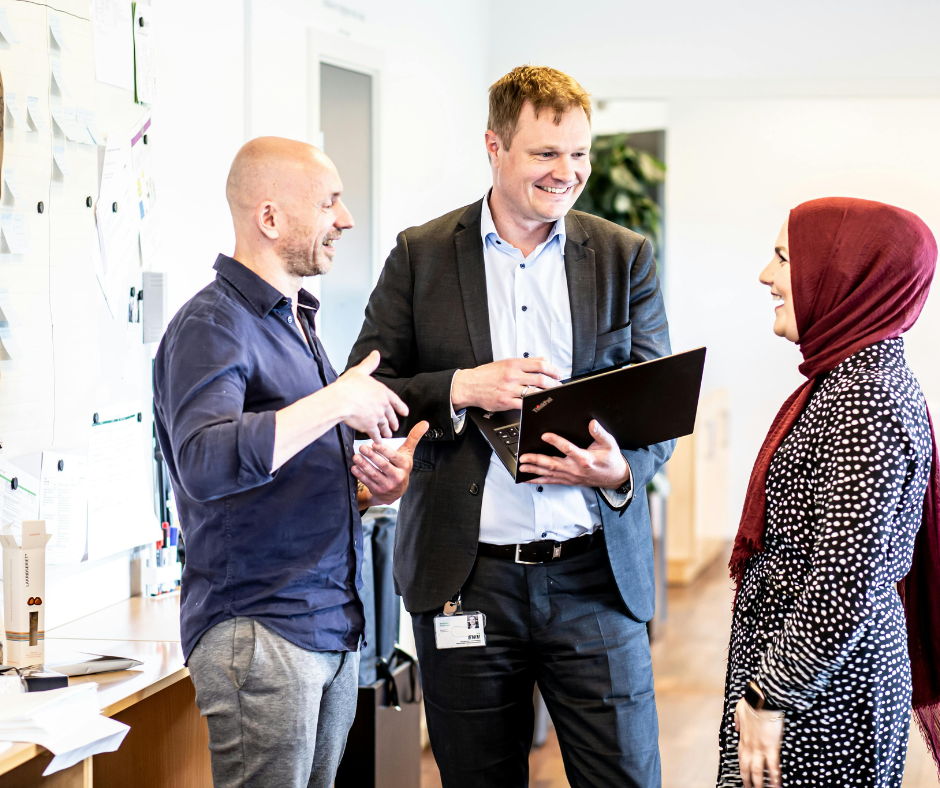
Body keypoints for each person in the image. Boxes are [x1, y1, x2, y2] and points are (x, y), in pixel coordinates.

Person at [347, 66, 673, 787]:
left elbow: (658, 415)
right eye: (546, 153)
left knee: (626, 777)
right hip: (468, 580)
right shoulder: (421, 255)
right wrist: (462, 386)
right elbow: (363, 387)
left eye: (580, 154)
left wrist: (619, 471)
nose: (569, 173)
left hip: (595, 577)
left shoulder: (625, 258)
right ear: (493, 146)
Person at [152, 137, 428, 788]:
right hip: (262, 630)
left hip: (326, 624)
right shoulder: (211, 326)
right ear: (270, 219)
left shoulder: (296, 322)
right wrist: (336, 402)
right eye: (329, 202)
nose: (346, 218)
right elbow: (205, 458)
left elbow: (278, 467)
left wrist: (366, 490)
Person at [718, 197, 940, 788]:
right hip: (812, 686)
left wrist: (770, 698)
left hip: (828, 697)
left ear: (843, 276)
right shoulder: (845, 380)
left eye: (783, 258)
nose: (766, 275)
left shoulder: (866, 400)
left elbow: (844, 581)